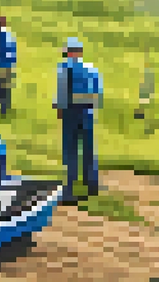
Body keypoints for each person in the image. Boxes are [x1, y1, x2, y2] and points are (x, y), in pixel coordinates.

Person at [54, 37, 103, 204]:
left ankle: (69, 190)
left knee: (71, 149)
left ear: (69, 52)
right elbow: (99, 92)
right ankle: (92, 184)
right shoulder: (92, 69)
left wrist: (60, 108)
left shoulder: (64, 68)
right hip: (88, 111)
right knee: (89, 148)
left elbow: (62, 91)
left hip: (71, 111)